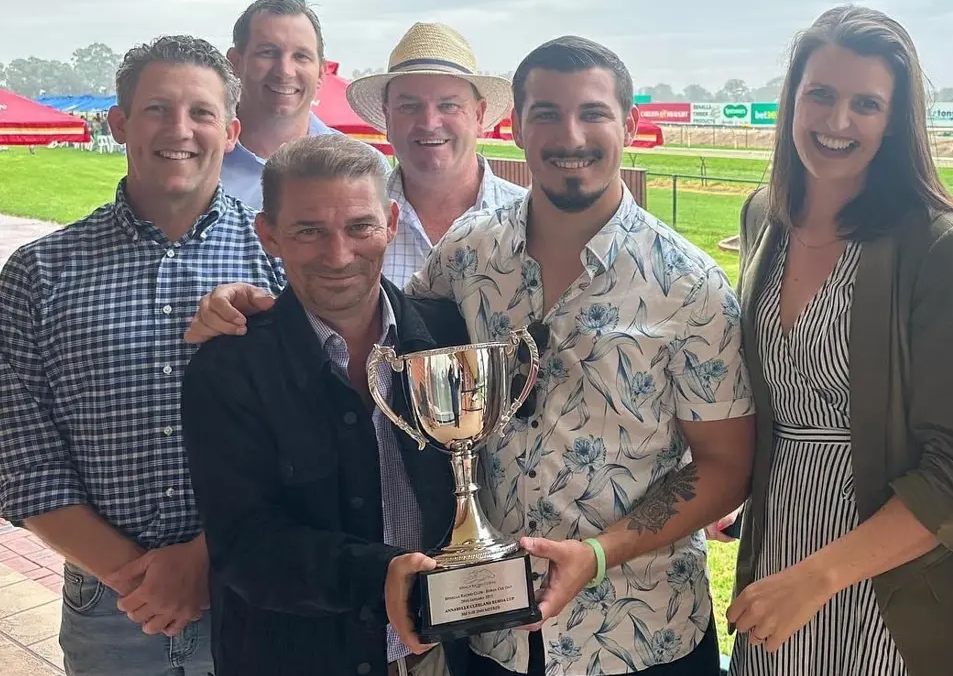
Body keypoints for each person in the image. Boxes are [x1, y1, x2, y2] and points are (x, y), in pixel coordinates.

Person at [186, 36, 756, 675]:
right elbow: (369, 311)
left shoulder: (692, 285)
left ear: (628, 123)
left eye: (593, 112)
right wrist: (255, 306)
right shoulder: (466, 255)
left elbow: (725, 465)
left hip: (639, 632)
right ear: (516, 128)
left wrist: (597, 554)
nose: (570, 134)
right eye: (546, 113)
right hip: (486, 639)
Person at [713, 6, 953, 676]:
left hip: (894, 585)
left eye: (865, 103)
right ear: (792, 97)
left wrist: (818, 578)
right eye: (820, 93)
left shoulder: (944, 249)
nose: (836, 120)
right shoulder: (765, 218)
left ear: (895, 121)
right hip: (777, 554)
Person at [0, 35, 283, 676]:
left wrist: (202, 560)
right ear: (120, 122)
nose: (179, 130)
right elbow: (22, 461)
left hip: (259, 589)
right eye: (157, 109)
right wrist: (144, 581)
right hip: (110, 607)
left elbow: (315, 434)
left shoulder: (281, 259)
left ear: (231, 131)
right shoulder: (38, 274)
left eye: (201, 113)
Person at [181, 134, 471, 676]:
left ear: (389, 221)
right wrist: (379, 574)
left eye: (360, 227)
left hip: (438, 655)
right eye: (308, 231)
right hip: (299, 657)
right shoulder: (228, 369)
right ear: (269, 234)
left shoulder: (448, 336)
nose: (338, 256)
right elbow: (244, 545)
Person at [345, 22, 525, 285]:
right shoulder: (347, 224)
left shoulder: (531, 222)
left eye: (448, 105)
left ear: (479, 115)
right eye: (409, 106)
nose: (429, 123)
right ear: (387, 118)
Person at [220, 0, 339, 208]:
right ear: (234, 63)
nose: (284, 71)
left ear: (321, 73)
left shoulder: (364, 167)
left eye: (301, 56)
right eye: (267, 53)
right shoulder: (196, 163)